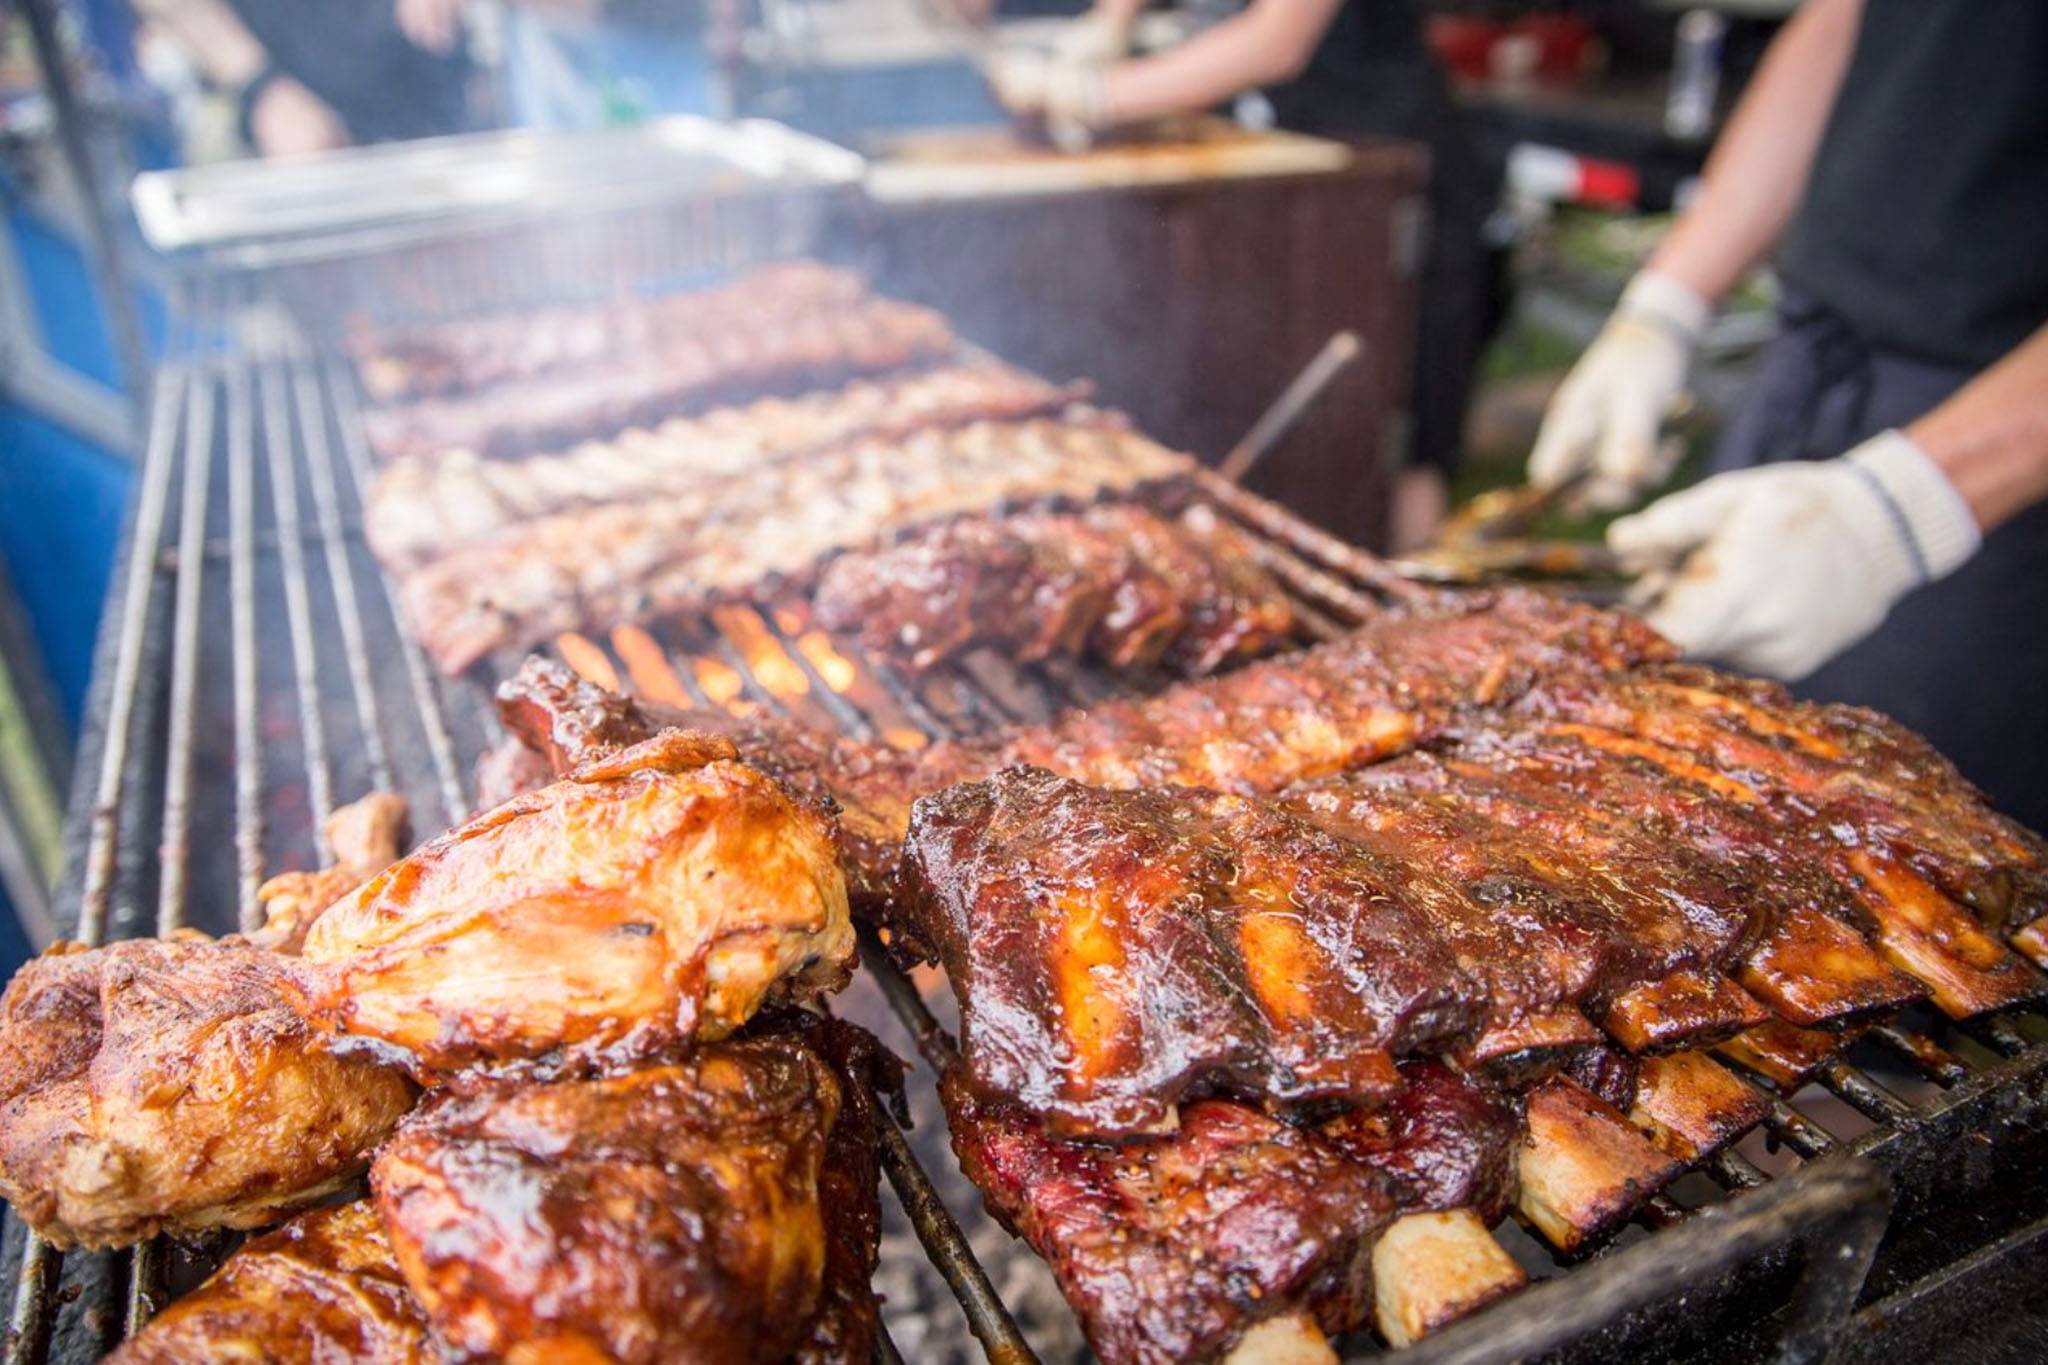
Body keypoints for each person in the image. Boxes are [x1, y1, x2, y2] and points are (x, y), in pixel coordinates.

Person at [1527, 0, 2048, 829]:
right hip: (1815, 352)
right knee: (1697, 785)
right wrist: (1664, 307)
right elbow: (1843, 23)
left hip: (2001, 437)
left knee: (1927, 830)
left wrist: (1901, 507)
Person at [985, 0, 1502, 550]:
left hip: (1379, 169)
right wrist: (1112, 21)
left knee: (1393, 433)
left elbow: (1277, 43)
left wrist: (1095, 93)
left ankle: (1404, 578)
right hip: (1274, 178)